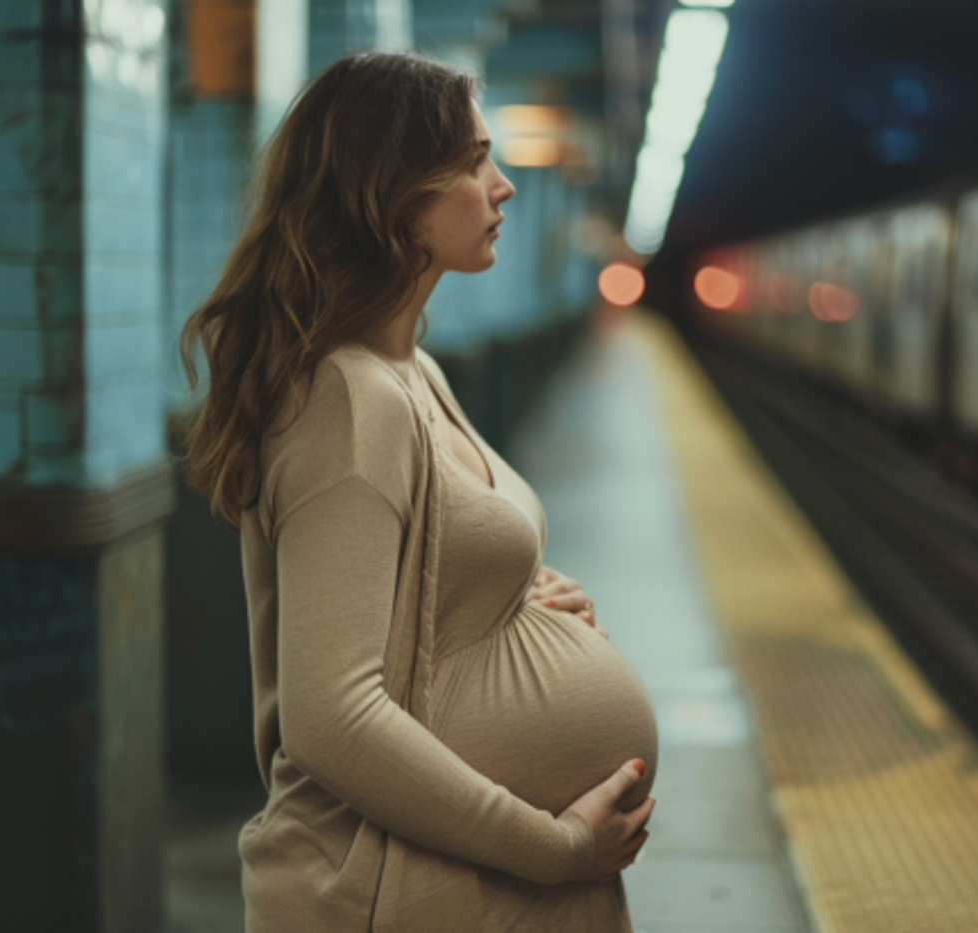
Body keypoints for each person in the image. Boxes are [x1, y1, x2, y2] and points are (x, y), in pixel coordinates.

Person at [179, 51, 659, 931]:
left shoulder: (413, 370)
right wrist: (554, 847)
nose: (504, 186)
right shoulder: (346, 400)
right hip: (396, 889)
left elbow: (418, 592)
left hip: (464, 885)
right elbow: (332, 716)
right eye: (477, 162)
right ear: (395, 196)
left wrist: (515, 601)